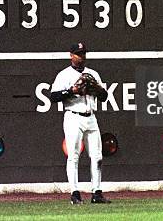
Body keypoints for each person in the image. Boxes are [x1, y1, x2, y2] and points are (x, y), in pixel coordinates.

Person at [49, 42, 111, 204]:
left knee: (97, 156)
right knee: (74, 156)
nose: (81, 56)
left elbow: (104, 97)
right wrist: (71, 91)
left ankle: (97, 193)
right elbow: (53, 97)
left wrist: (97, 89)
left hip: (91, 117)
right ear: (71, 55)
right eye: (78, 54)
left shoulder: (93, 74)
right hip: (73, 116)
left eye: (83, 53)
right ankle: (74, 194)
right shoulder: (64, 75)